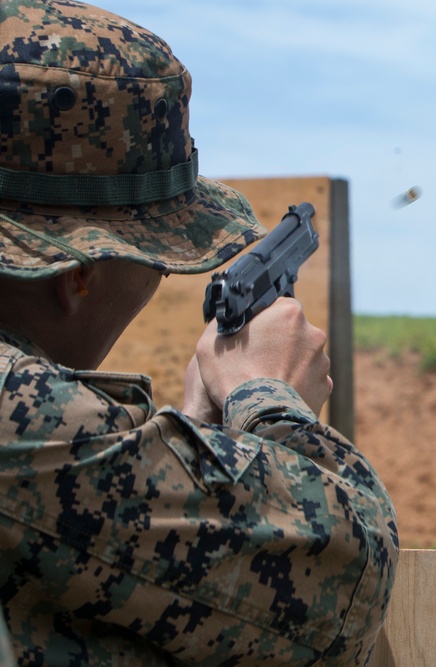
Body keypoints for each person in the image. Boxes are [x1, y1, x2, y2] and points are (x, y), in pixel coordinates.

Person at [0, 1, 398, 665]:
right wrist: (269, 399)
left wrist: (192, 443)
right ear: (79, 274)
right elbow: (342, 575)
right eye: (156, 254)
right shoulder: (25, 422)